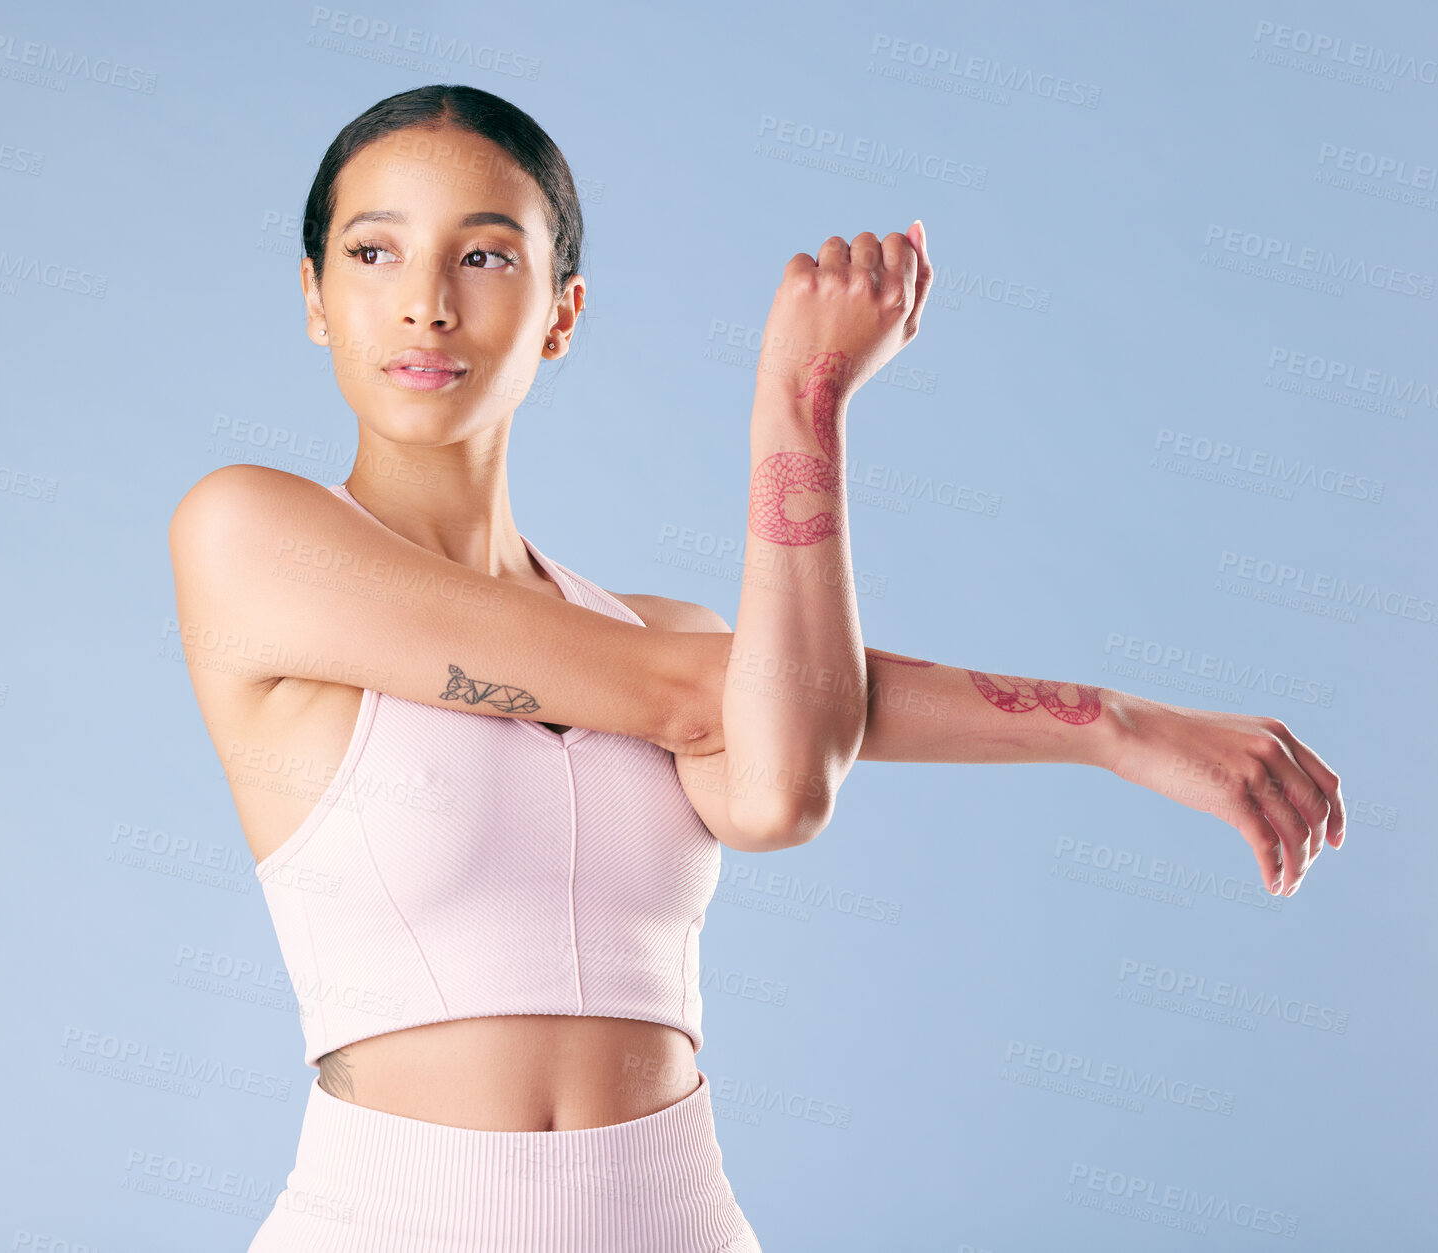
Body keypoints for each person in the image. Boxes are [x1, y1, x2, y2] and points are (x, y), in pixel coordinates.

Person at [167, 84, 1346, 1251]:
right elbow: (703, 696)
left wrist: (1118, 720)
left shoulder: (655, 627)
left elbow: (784, 780)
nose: (424, 304)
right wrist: (791, 381)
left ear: (560, 313)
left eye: (483, 257)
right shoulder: (248, 537)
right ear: (316, 298)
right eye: (373, 252)